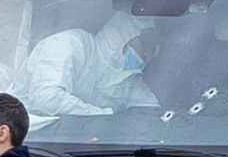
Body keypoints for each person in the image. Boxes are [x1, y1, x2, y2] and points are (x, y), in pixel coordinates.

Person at [26, 11, 160, 116]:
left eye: (153, 51)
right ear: (122, 35)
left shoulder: (129, 81)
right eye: (144, 46)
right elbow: (46, 99)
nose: (147, 56)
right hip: (26, 141)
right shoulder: (70, 45)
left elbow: (150, 113)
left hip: (88, 146)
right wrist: (102, 116)